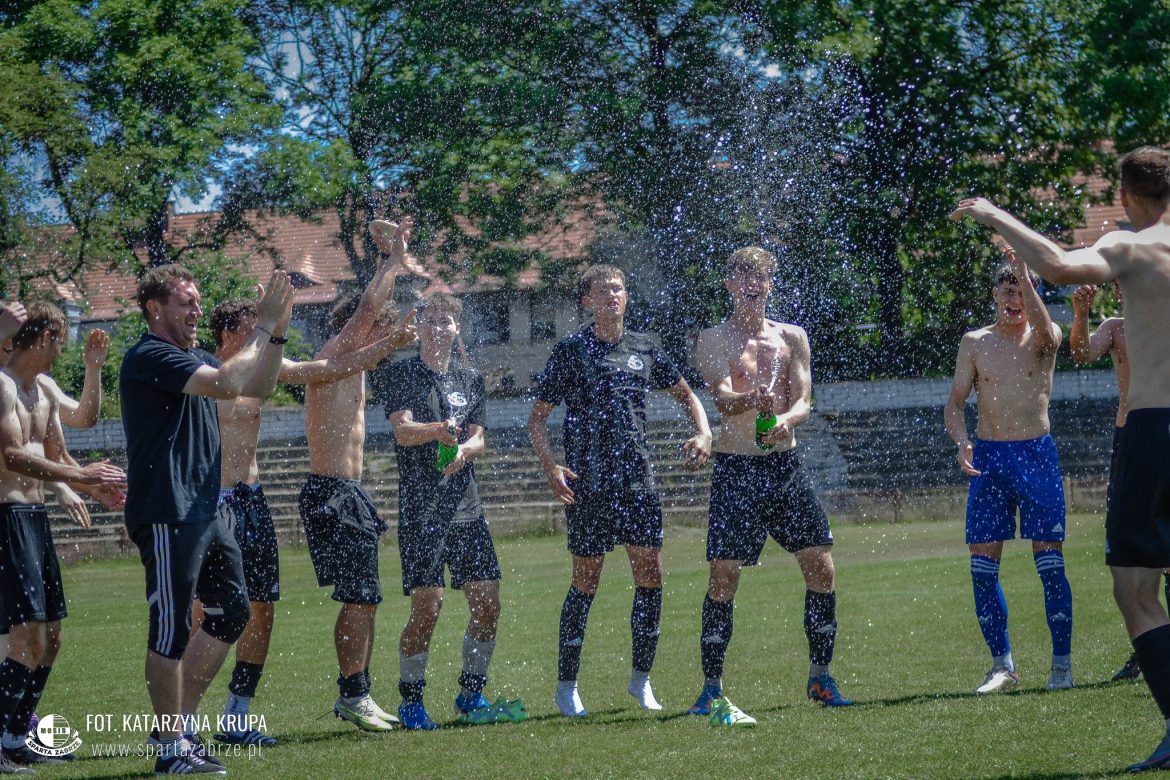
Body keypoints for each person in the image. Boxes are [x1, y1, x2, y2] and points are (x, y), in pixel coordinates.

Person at [952, 145, 1170, 771]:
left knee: (1136, 585)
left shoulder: (1134, 246)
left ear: (1126, 198)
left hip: (1154, 426)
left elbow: (1057, 264)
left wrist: (996, 213)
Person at [204, 298, 415, 746]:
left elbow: (324, 367)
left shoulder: (262, 375)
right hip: (213, 504)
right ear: (226, 335)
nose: (260, 338)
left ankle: (235, 716)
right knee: (202, 614)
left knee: (261, 612)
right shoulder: (204, 376)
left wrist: (388, 342)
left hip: (253, 500)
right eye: (252, 330)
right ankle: (174, 723)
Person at [120, 264, 292, 775]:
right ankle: (170, 751)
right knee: (170, 632)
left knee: (232, 611)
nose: (197, 311)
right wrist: (260, 325)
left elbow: (256, 384)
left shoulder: (190, 356)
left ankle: (178, 728)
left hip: (206, 509)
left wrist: (277, 327)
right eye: (186, 303)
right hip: (169, 511)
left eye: (198, 302)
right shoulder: (149, 355)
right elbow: (228, 380)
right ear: (156, 308)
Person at [528, 264, 712, 717]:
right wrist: (552, 468)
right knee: (585, 581)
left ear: (627, 297)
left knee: (651, 576)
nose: (612, 295)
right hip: (588, 485)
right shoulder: (571, 351)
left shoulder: (645, 348)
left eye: (619, 288)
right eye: (602, 289)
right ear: (587, 301)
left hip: (637, 481)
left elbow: (688, 396)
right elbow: (536, 419)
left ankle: (641, 681)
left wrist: (704, 432)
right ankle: (567, 685)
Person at [689, 247, 850, 727]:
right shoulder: (714, 338)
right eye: (742, 275)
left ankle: (820, 675)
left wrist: (783, 417)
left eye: (760, 275)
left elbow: (804, 400)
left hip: (785, 466)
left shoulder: (792, 337)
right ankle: (711, 689)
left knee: (821, 566)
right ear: (729, 285)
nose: (751, 282)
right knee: (724, 576)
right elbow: (720, 397)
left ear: (771, 283)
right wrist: (747, 399)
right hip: (738, 468)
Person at [299, 217, 416, 732]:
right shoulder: (334, 356)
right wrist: (391, 261)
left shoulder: (356, 366)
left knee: (366, 597)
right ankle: (353, 694)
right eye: (378, 325)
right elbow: (368, 308)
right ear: (359, 329)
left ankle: (360, 692)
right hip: (332, 492)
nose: (387, 330)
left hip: (349, 491)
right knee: (359, 596)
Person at [0, 303, 126, 772]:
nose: (64, 348)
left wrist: (95, 486)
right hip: (7, 518)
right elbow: (12, 456)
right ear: (47, 336)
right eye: (61, 339)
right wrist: (81, 475)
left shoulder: (43, 390)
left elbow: (61, 452)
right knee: (25, 638)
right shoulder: (3, 385)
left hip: (36, 518)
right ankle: (4, 735)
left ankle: (14, 736)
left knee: (51, 638)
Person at [384, 292, 519, 729]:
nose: (439, 328)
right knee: (429, 605)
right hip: (423, 507)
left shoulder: (470, 378)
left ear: (457, 328)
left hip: (466, 506)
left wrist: (461, 447)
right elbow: (403, 432)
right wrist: (438, 431)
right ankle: (411, 701)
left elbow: (480, 438)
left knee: (488, 601)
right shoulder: (403, 373)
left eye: (446, 321)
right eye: (431, 320)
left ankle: (470, 694)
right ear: (419, 326)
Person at [943, 247, 1073, 694]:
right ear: (995, 294)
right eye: (1008, 289)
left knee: (1049, 564)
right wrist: (962, 443)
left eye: (1022, 289)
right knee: (982, 566)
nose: (1014, 298)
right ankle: (1002, 664)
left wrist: (1026, 271)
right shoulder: (975, 342)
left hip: (1036, 454)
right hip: (990, 459)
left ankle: (1061, 665)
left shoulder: (1045, 334)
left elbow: (1053, 340)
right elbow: (956, 403)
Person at [1068, 284, 1155, 682]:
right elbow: (1081, 353)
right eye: (1122, 284)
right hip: (1128, 443)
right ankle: (1147, 649)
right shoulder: (1115, 328)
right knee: (1129, 550)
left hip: (1161, 439)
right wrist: (1081, 311)